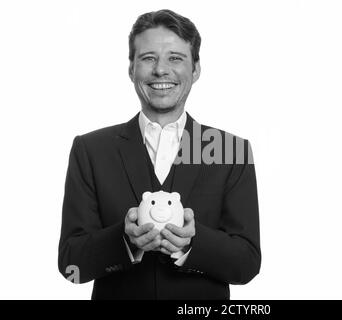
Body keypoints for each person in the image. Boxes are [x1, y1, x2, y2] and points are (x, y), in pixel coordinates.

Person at [58, 9, 261, 300]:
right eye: (148, 58)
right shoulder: (90, 150)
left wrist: (193, 243)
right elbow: (70, 263)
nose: (161, 70)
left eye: (175, 58)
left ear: (196, 69)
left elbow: (247, 263)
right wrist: (125, 240)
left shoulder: (232, 151)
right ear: (131, 68)